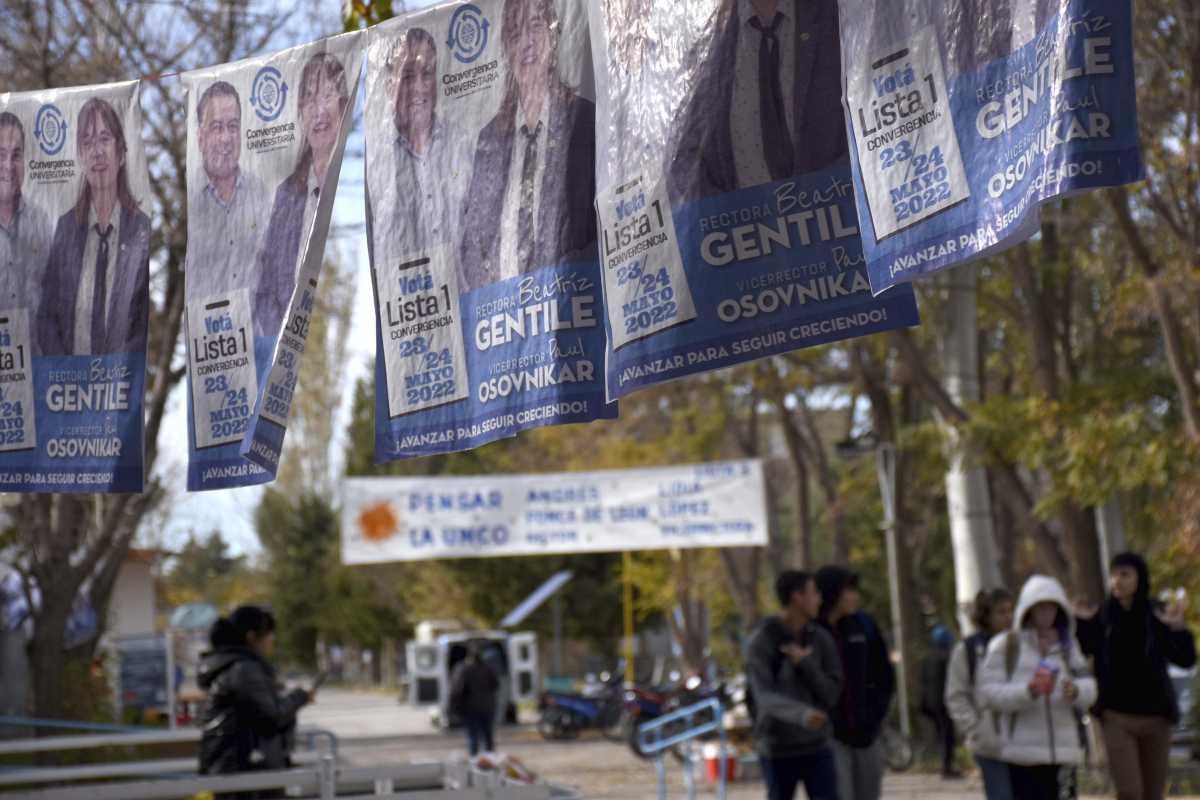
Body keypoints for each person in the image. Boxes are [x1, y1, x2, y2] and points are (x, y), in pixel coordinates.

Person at [458, 0, 597, 291]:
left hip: (570, 306)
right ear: (506, 48)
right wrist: (489, 293)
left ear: (553, 36)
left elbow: (600, 224)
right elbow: (472, 242)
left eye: (535, 26)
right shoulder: (489, 139)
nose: (527, 42)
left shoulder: (583, 121)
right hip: (504, 314)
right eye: (515, 32)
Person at [669, 0, 848, 203]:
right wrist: (729, 219)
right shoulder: (700, 35)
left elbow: (865, 123)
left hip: (843, 221)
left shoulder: (838, 12)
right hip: (744, 229)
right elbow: (684, 160)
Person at [1074, 553, 1196, 800]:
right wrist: (1082, 624)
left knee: (1152, 793)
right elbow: (1082, 651)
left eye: (1125, 574)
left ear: (1140, 578)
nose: (1117, 580)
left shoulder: (1156, 614)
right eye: (1114, 574)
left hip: (1156, 717)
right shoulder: (1101, 615)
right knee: (1130, 791)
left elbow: (1185, 659)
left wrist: (1178, 628)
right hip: (1116, 716)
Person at [37, 97, 150, 355]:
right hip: (68, 385)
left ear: (121, 152)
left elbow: (143, 320)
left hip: (118, 385)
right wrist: (65, 370)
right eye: (87, 142)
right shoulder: (65, 229)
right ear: (80, 156)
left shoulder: (142, 229)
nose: (97, 151)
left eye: (104, 139)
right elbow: (46, 317)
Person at [254, 52, 349, 337]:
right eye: (309, 99)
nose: (318, 111)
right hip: (286, 353)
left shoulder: (356, 180)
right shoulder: (286, 193)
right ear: (299, 111)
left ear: (345, 105)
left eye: (328, 95)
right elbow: (266, 285)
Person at [978, 575, 1096, 800]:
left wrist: (1077, 691)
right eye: (1040, 608)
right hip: (1023, 755)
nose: (1046, 614)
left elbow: (1090, 686)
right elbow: (989, 693)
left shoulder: (1068, 646)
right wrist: (1028, 691)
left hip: (1064, 752)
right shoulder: (1006, 645)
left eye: (1052, 608)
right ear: (1028, 610)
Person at [368, 27, 471, 268]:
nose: (418, 87)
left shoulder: (463, 145)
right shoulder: (375, 159)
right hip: (407, 300)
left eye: (427, 73)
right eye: (407, 76)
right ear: (388, 86)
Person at [745, 570, 842, 800]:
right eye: (814, 593)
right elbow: (764, 696)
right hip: (777, 747)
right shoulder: (762, 640)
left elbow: (832, 692)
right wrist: (802, 714)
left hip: (817, 744)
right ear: (797, 597)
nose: (819, 599)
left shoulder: (820, 638)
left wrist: (805, 664)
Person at [197, 606, 313, 794]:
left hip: (232, 769)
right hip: (246, 773)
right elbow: (271, 717)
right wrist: (299, 697)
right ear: (252, 637)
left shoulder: (233, 666)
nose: (271, 641)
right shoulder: (244, 670)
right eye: (268, 635)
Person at [814, 566, 895, 800]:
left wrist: (876, 714)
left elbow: (884, 676)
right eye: (848, 590)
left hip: (867, 733)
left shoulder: (864, 625)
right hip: (830, 736)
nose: (854, 596)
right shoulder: (814, 630)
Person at [187, 80, 269, 300]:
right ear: (200, 138)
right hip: (200, 331)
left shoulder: (260, 194)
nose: (226, 139)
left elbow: (274, 274)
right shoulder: (186, 197)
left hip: (255, 332)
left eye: (232, 127)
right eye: (216, 127)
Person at [944, 587, 1016, 800]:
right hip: (990, 744)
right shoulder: (967, 650)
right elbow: (956, 696)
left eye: (1011, 611)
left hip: (1023, 742)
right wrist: (976, 729)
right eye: (1001, 612)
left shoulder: (1021, 644)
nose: (1008, 617)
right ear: (986, 615)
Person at [0, 112, 51, 314]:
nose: (8, 166)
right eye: (0, 155)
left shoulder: (42, 222)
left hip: (37, 345)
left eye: (16, 155)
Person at [919, 624, 960, 779]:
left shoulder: (928, 658)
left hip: (931, 703)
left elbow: (923, 682)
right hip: (943, 702)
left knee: (941, 733)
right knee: (947, 734)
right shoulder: (947, 657)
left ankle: (945, 764)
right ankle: (946, 767)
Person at [449, 642, 500, 756]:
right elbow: (496, 685)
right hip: (487, 707)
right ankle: (490, 761)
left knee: (473, 737)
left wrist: (454, 707)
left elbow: (457, 690)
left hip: (471, 708)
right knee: (488, 737)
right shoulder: (488, 668)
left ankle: (475, 762)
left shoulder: (462, 669)